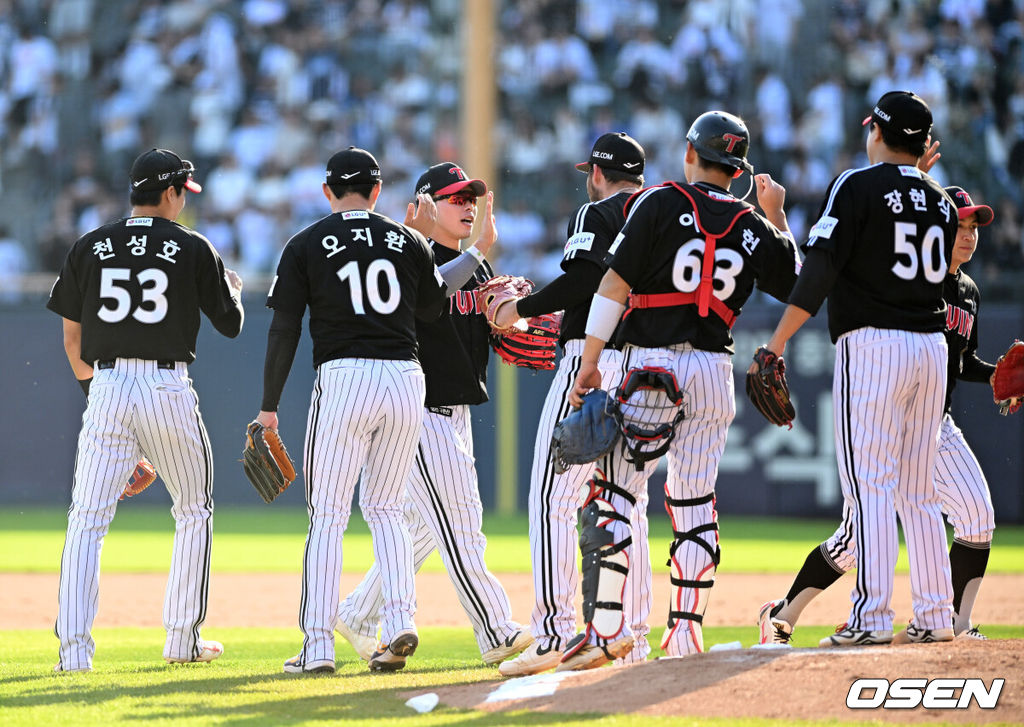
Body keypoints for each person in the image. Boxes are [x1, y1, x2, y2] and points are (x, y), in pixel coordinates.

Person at [565, 111, 800, 670]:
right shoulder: (751, 223)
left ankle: (605, 632)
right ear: (738, 169)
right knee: (694, 504)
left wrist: (590, 361)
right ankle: (686, 637)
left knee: (615, 493)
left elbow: (614, 283)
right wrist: (778, 217)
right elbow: (796, 283)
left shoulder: (659, 202)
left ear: (690, 152)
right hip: (715, 369)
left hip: (650, 363)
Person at [255, 148, 490, 674]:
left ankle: (318, 646)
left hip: (344, 377)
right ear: (378, 191)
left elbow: (284, 328)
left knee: (329, 517)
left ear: (327, 193)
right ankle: (401, 619)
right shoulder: (405, 239)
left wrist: (269, 407)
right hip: (407, 379)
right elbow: (431, 307)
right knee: (387, 510)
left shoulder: (307, 243)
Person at [759, 184, 1014, 645]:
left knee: (977, 513)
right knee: (857, 537)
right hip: (886, 409)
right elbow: (824, 271)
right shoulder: (912, 276)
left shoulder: (969, 292)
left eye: (974, 226)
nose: (968, 234)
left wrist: (1000, 377)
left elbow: (961, 361)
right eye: (960, 224)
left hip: (935, 420)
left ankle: (954, 624)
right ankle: (783, 613)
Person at [752, 91, 959, 647]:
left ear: (877, 132)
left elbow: (819, 271)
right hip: (930, 347)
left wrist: (775, 344)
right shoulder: (941, 199)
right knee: (918, 490)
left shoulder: (856, 182)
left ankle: (870, 617)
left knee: (870, 485)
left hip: (874, 347)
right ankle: (938, 615)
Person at [48, 148, 244, 671]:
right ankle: (182, 641)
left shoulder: (90, 246)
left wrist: (108, 414)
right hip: (166, 385)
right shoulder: (192, 245)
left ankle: (73, 654)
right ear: (172, 192)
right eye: (184, 192)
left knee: (87, 520)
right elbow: (231, 324)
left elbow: (73, 340)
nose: (184, 201)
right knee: (194, 510)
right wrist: (233, 289)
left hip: (107, 383)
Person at [333, 162, 533, 666]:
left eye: (472, 198)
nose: (468, 205)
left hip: (456, 409)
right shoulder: (405, 255)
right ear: (426, 204)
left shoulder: (478, 267)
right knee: (463, 521)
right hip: (417, 410)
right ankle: (497, 632)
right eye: (455, 198)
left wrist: (510, 323)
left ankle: (358, 613)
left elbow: (476, 328)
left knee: (426, 527)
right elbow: (426, 294)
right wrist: (478, 252)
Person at [490, 133, 655, 676]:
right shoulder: (665, 210)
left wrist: (522, 308)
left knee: (550, 499)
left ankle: (554, 631)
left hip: (595, 359)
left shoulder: (597, 210)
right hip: (651, 365)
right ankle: (631, 631)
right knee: (627, 499)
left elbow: (586, 278)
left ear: (600, 173)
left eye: (592, 171)